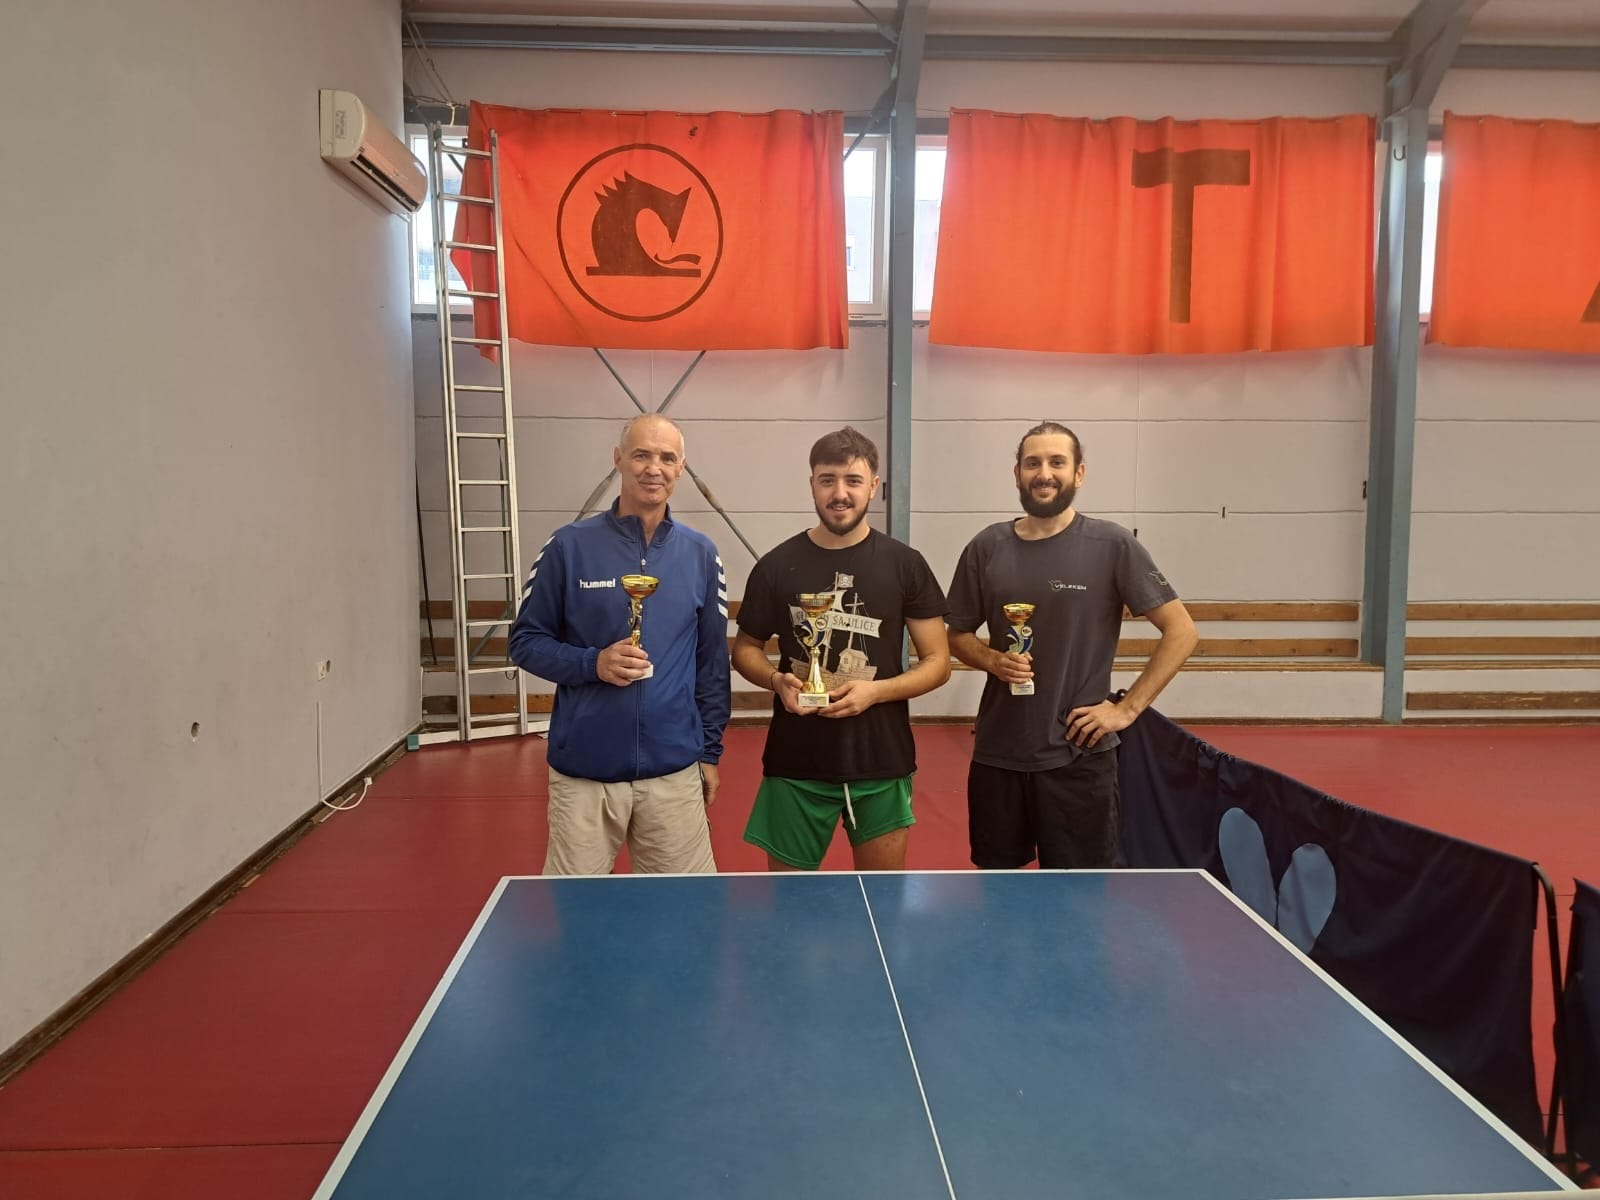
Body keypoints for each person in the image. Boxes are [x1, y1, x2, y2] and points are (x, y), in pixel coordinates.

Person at [947, 421, 1197, 870]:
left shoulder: (1112, 544)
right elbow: (958, 636)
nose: (1044, 473)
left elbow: (1182, 632)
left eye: (1057, 462)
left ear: (1078, 473)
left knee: (1077, 896)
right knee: (998, 891)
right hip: (998, 755)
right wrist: (993, 660)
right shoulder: (986, 547)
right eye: (1033, 463)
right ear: (1017, 473)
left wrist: (1126, 710)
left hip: (1078, 756)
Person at [508, 414, 730, 875]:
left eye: (667, 458)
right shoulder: (568, 546)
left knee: (683, 910)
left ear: (681, 466)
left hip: (673, 773)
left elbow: (711, 664)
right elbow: (525, 642)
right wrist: (594, 664)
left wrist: (709, 752)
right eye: (641, 455)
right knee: (580, 910)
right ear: (618, 460)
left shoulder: (701, 554)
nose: (654, 468)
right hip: (584, 775)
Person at [731, 427, 951, 871]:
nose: (840, 493)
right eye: (827, 480)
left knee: (881, 899)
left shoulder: (905, 564)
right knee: (792, 902)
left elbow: (938, 662)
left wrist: (877, 691)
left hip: (880, 760)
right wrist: (776, 681)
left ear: (874, 486)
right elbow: (745, 649)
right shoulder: (775, 565)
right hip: (795, 761)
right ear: (812, 484)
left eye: (853, 480)